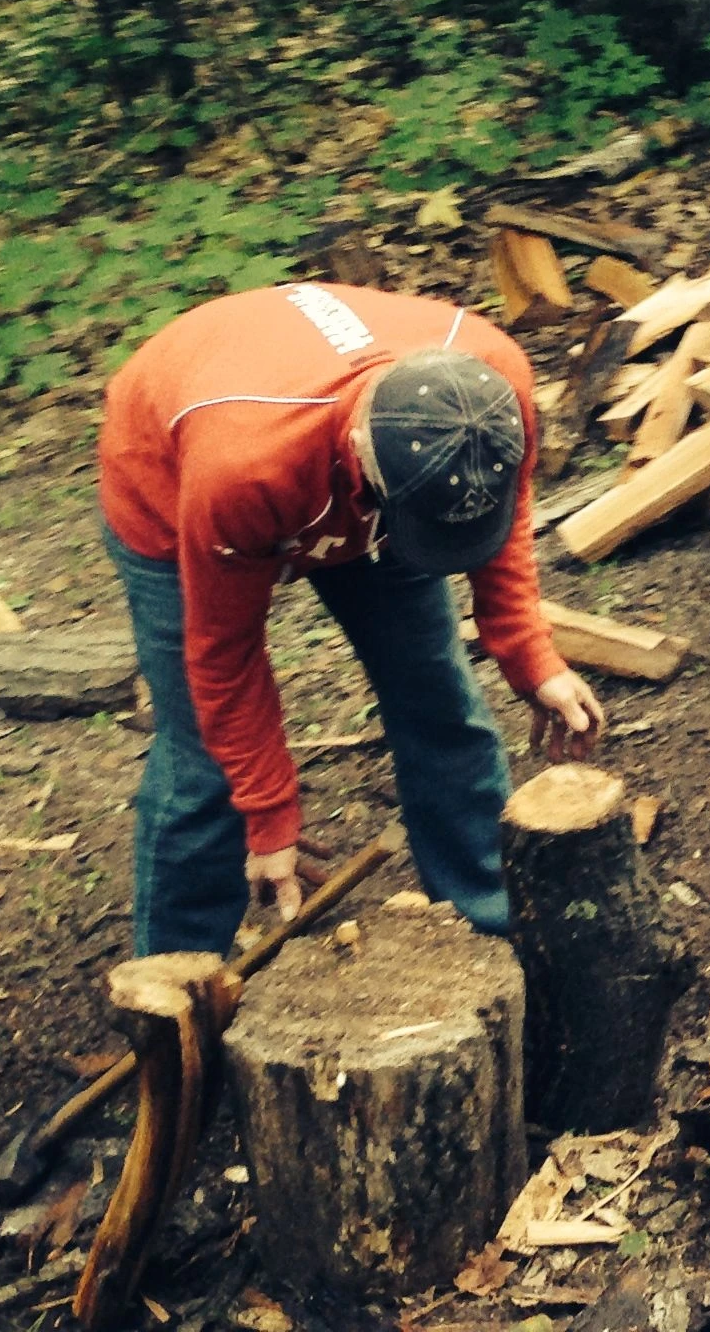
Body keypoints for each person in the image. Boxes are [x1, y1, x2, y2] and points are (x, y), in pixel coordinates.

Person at [99, 282, 607, 954]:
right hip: (171, 488)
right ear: (367, 451)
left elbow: (500, 512)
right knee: (204, 760)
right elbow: (225, 657)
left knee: (438, 696)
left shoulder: (491, 390)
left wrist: (527, 651)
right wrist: (270, 815)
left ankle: (485, 920)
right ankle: (179, 977)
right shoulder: (241, 469)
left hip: (361, 480)